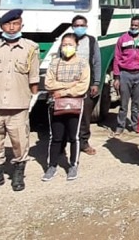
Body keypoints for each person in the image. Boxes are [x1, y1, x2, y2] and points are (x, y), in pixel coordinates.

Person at [0, 9, 41, 192]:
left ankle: (18, 174)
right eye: (8, 24)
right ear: (1, 26)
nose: (12, 28)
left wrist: (34, 97)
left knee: (20, 140)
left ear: (21, 25)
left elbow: (34, 76)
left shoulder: (31, 48)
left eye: (16, 24)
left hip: (19, 103)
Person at [39, 15, 103, 156]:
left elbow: (97, 62)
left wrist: (96, 83)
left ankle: (83, 142)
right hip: (64, 84)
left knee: (84, 115)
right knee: (63, 113)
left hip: (83, 84)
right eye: (76, 25)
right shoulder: (66, 40)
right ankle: (61, 144)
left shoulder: (91, 41)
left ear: (86, 26)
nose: (79, 27)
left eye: (82, 25)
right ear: (72, 26)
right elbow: (57, 61)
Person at [41, 33, 90, 182]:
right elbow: (48, 84)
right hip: (55, 104)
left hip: (75, 104)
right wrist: (71, 84)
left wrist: (62, 91)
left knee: (74, 137)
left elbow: (82, 86)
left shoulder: (83, 63)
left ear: (76, 46)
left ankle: (73, 165)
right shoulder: (54, 63)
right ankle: (52, 166)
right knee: (55, 137)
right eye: (64, 45)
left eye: (70, 44)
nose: (67, 47)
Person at [113, 15, 139, 136]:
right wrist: (116, 77)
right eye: (132, 25)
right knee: (123, 104)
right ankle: (120, 126)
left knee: (136, 103)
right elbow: (117, 58)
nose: (133, 27)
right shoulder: (123, 38)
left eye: (136, 25)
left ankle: (135, 125)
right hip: (125, 74)